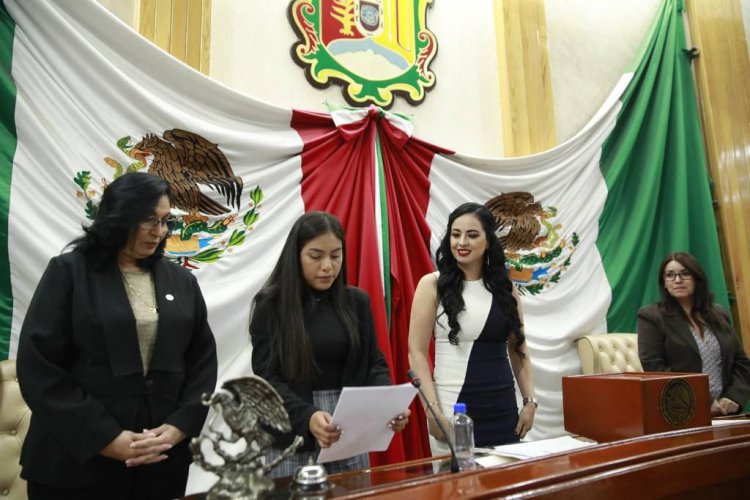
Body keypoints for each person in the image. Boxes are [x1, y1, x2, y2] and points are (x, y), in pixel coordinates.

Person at [16, 173, 218, 500]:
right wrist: (106, 439)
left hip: (159, 463)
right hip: (75, 464)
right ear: (119, 216)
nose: (160, 231)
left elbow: (202, 363)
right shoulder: (69, 271)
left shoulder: (181, 281)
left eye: (166, 221)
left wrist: (180, 426)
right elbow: (39, 367)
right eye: (149, 220)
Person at [249, 211, 410, 477]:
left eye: (336, 256)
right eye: (316, 256)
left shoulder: (356, 302)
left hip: (348, 431)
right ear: (296, 255)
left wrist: (386, 406)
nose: (327, 266)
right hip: (290, 432)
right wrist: (308, 417)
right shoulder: (272, 305)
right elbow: (267, 378)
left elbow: (374, 363)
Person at [408, 202, 536, 456]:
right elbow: (416, 353)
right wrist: (431, 409)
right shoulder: (432, 285)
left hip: (503, 409)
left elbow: (519, 349)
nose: (462, 242)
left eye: (472, 235)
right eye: (456, 234)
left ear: (488, 241)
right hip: (453, 410)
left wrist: (530, 401)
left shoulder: (505, 289)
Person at [638, 252, 750, 416]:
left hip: (726, 411)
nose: (677, 280)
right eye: (670, 275)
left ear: (697, 278)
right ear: (664, 282)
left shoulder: (718, 313)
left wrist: (733, 398)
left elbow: (741, 362)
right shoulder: (651, 316)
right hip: (681, 412)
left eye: (684, 273)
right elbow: (655, 368)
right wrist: (702, 402)